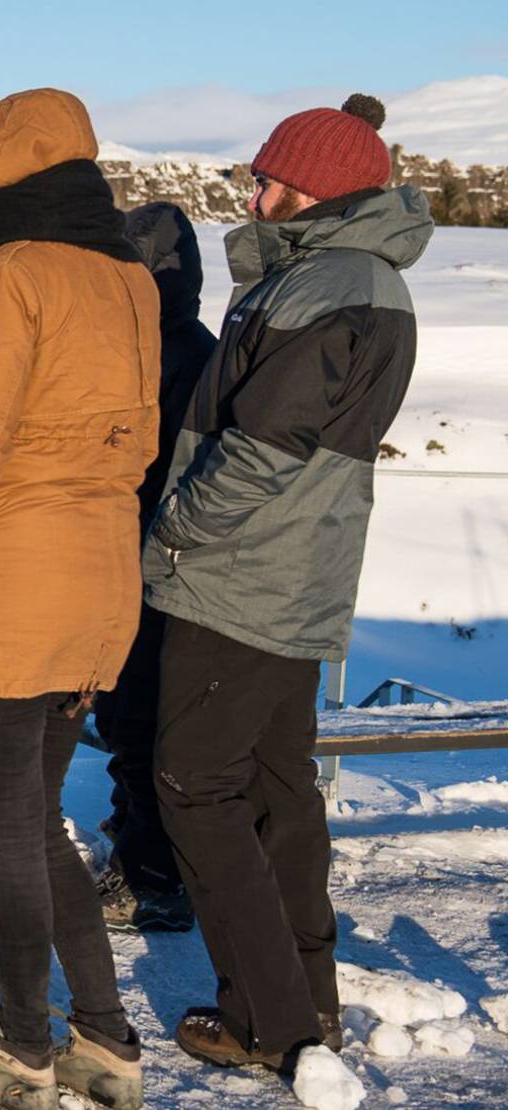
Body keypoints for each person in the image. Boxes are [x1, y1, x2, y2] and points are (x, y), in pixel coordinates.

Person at [142, 94, 433, 1073]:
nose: (251, 195)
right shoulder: (346, 278)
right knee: (275, 788)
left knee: (195, 785)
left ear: (310, 190)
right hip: (291, 575)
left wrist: (173, 535)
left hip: (241, 578)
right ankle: (308, 1003)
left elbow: (263, 449)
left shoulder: (328, 286)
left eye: (263, 179)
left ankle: (272, 1020)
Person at [0, 88, 158, 1110]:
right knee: (43, 819)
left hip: (12, 570)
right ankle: (103, 1038)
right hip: (103, 572)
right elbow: (137, 444)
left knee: (9, 831)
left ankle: (21, 1053)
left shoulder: (14, 271)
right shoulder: (129, 278)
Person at [91, 202, 217, 934]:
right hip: (148, 560)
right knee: (131, 715)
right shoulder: (185, 344)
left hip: (150, 564)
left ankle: (153, 878)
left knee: (139, 719)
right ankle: (137, 842)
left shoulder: (161, 353)